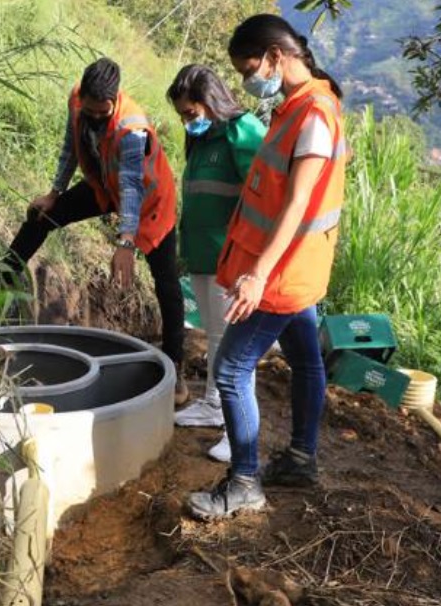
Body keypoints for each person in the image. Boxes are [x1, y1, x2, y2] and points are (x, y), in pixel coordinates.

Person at [188, 14, 347, 519]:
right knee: (305, 359)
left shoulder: (314, 115)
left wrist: (257, 274)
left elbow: (296, 206)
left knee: (232, 370)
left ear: (277, 57)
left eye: (249, 67)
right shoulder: (294, 107)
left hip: (281, 273)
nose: (245, 80)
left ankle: (245, 481)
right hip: (294, 270)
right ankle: (300, 459)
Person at [4, 58, 189, 404]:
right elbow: (69, 149)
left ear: (114, 100)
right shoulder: (78, 101)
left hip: (150, 200)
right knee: (43, 216)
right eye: (89, 112)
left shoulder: (132, 128)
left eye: (101, 115)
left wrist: (126, 242)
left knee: (166, 283)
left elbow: (133, 188)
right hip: (105, 183)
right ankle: (0, 274)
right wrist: (54, 193)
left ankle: (176, 372)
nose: (94, 119)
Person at [166, 65, 267, 463]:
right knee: (214, 335)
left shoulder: (243, 132)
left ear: (211, 102)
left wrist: (254, 263)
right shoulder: (204, 137)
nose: (186, 122)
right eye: (182, 116)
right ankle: (211, 403)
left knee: (233, 346)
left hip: (234, 258)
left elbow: (263, 198)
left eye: (190, 113)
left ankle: (237, 428)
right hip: (204, 254)